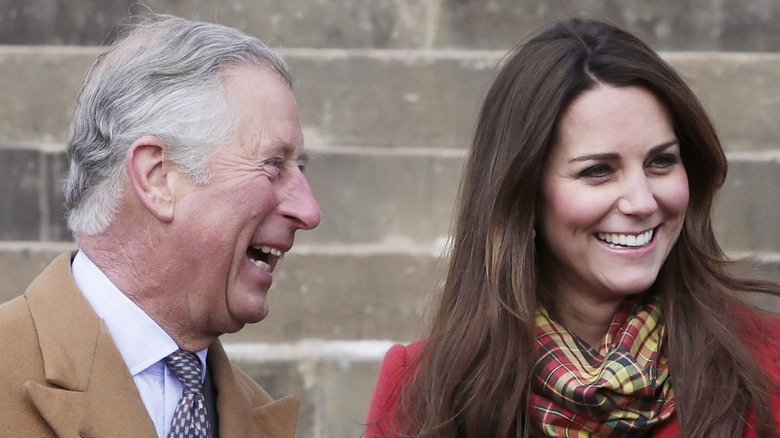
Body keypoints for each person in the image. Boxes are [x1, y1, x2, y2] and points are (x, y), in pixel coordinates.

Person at [366, 18, 780, 438]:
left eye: (661, 161)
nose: (641, 201)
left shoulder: (768, 365)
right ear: (524, 191)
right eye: (599, 170)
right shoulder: (422, 390)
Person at [0, 13, 320, 438]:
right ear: (157, 178)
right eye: (273, 166)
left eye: (300, 169)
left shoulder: (259, 417)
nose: (309, 211)